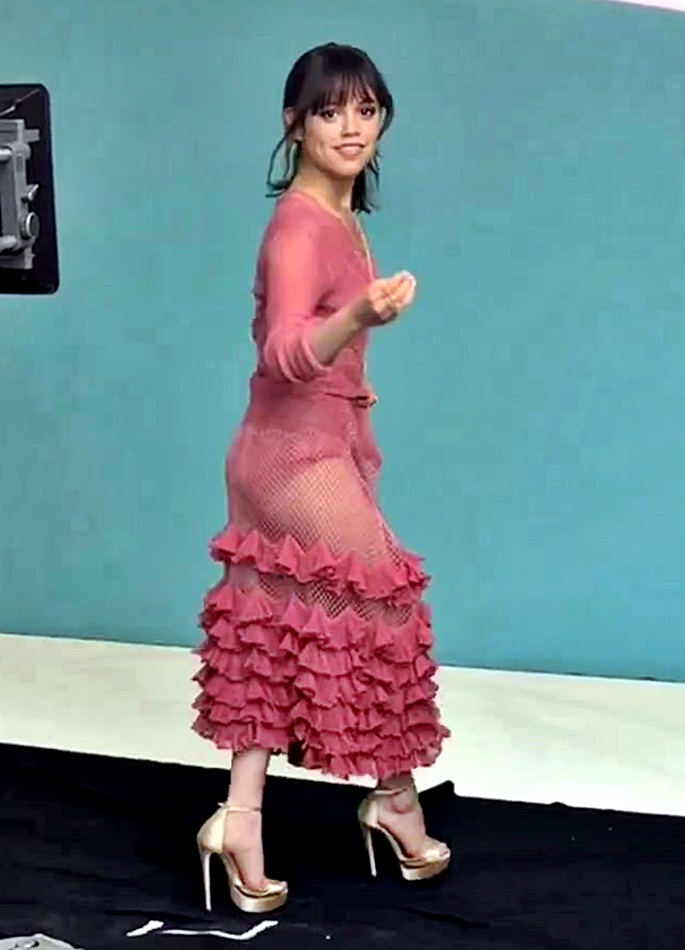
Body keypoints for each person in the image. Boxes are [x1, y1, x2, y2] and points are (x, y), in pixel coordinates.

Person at [193, 42, 450, 914]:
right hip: (292, 459)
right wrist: (357, 317)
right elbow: (282, 351)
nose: (351, 127)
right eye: (330, 110)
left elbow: (320, 358)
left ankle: (240, 819)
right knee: (385, 605)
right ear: (292, 122)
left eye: (366, 110)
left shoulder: (340, 217)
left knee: (273, 627)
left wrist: (355, 380)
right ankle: (394, 799)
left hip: (303, 447)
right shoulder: (298, 226)